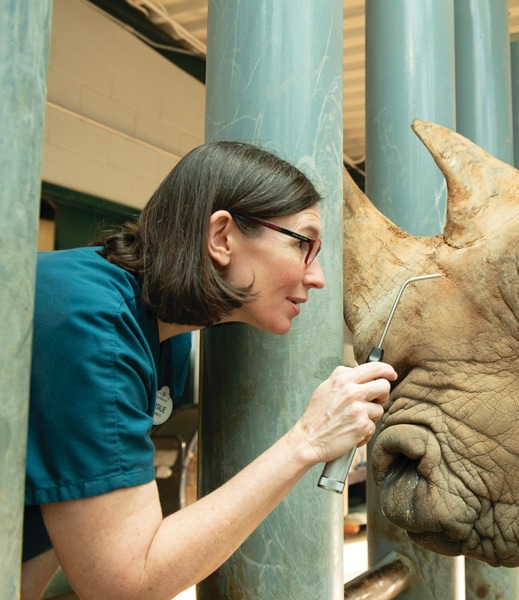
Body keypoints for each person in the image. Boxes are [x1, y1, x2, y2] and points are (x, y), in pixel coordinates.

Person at [20, 141, 396, 600]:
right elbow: (124, 582)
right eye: (304, 245)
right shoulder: (91, 324)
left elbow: (46, 513)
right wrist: (309, 440)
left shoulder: (165, 340)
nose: (317, 277)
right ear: (222, 237)